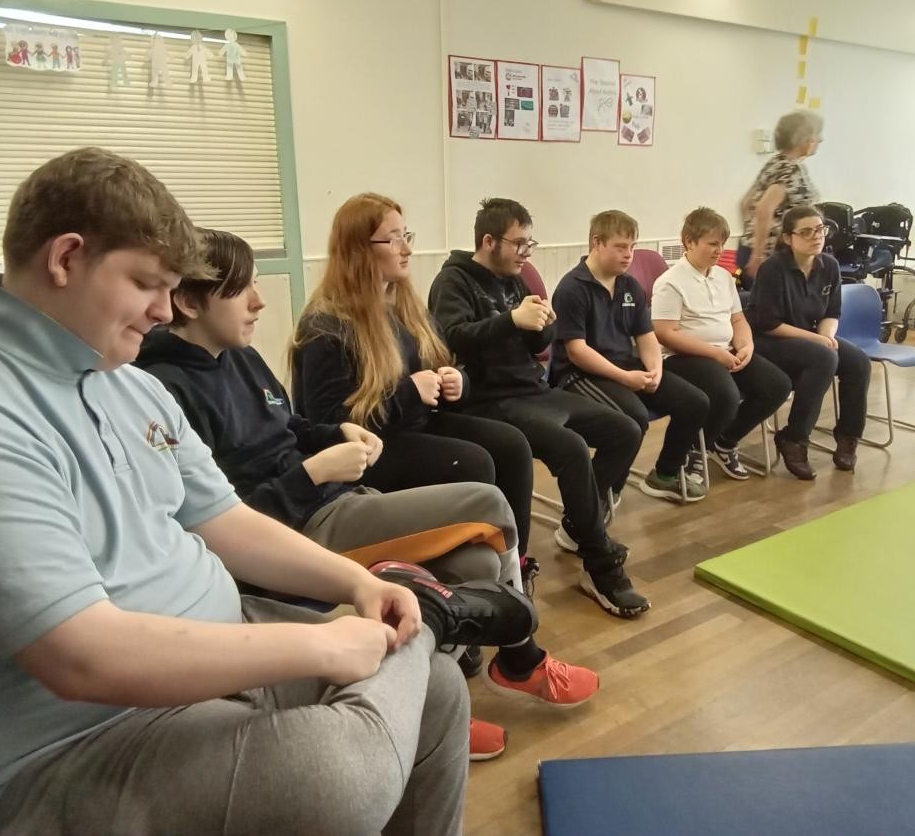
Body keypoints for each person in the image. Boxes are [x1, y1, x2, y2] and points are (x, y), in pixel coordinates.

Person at [0, 148, 538, 835]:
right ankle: (433, 614)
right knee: (338, 775)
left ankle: (422, 616)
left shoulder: (127, 384)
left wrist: (358, 583)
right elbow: (82, 657)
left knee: (435, 687)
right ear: (66, 258)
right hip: (71, 745)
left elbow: (224, 518)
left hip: (216, 644)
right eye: (146, 283)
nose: (162, 310)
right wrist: (321, 647)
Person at [138, 227, 597, 741]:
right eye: (241, 289)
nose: (259, 301)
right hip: (296, 526)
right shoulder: (165, 390)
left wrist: (336, 434)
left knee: (476, 563)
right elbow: (223, 523)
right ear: (189, 302)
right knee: (487, 500)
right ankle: (520, 659)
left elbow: (289, 424)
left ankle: (424, 708)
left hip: (332, 496)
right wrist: (315, 471)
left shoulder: (239, 354)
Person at [288, 194, 537, 579]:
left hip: (410, 424)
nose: (407, 249)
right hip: (370, 449)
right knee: (473, 462)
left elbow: (442, 365)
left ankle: (513, 567)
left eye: (406, 236)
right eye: (393, 239)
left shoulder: (403, 306)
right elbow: (328, 425)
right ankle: (472, 569)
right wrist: (409, 392)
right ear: (358, 249)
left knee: (512, 446)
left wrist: (457, 382)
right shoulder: (326, 325)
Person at [429, 198, 651, 619]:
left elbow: (536, 345)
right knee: (570, 448)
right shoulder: (453, 282)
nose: (526, 254)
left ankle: (580, 525)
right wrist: (512, 320)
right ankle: (599, 562)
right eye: (520, 244)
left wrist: (542, 325)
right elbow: (452, 337)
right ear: (489, 241)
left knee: (625, 429)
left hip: (533, 390)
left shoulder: (514, 279)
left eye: (530, 244)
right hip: (489, 400)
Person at [549, 210, 710, 502]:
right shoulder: (572, 288)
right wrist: (626, 378)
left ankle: (665, 475)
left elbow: (646, 336)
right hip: (580, 375)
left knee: (695, 402)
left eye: (632, 247)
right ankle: (597, 496)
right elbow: (577, 351)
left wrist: (655, 371)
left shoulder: (629, 286)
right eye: (621, 247)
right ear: (596, 243)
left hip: (625, 367)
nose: (629, 255)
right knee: (633, 419)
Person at [650, 207, 791, 483]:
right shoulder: (669, 282)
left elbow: (738, 320)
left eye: (722, 244)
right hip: (683, 357)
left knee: (777, 385)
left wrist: (746, 346)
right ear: (689, 242)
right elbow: (666, 334)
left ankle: (724, 442)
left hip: (724, 352)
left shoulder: (723, 277)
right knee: (726, 395)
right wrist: (715, 354)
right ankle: (694, 452)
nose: (719, 251)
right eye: (712, 244)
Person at [749, 204, 871, 479]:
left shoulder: (829, 265)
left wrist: (826, 336)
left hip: (808, 336)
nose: (816, 236)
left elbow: (832, 313)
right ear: (788, 238)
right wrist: (818, 340)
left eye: (820, 230)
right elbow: (768, 324)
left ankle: (848, 436)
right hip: (768, 339)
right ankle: (795, 437)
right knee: (824, 357)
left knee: (858, 362)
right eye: (806, 232)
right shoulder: (773, 269)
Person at [739, 109, 824, 286]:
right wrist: (758, 255)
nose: (820, 139)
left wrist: (750, 239)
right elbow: (764, 209)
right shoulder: (791, 169)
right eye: (816, 134)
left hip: (754, 250)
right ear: (804, 139)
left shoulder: (775, 162)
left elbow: (745, 203)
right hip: (773, 257)